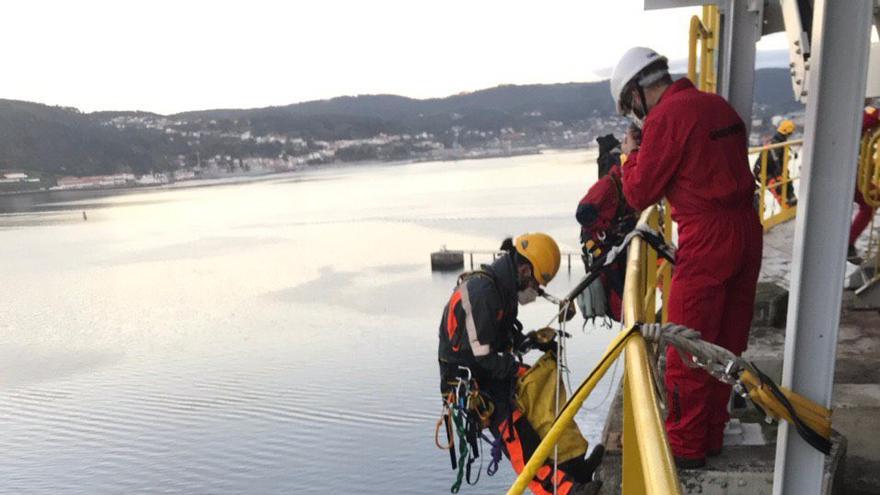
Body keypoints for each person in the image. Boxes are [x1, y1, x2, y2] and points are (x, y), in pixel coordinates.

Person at [610, 47, 763, 468]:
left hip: (707, 238)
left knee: (688, 349)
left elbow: (640, 193)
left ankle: (687, 449)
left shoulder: (666, 118)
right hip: (747, 230)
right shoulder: (716, 105)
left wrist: (631, 154)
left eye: (630, 109)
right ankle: (711, 434)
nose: (635, 117)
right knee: (726, 344)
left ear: (638, 93)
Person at [438, 233, 603, 495]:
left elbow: (502, 338)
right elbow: (485, 357)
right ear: (524, 269)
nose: (536, 291)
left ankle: (573, 468)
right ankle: (566, 491)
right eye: (536, 285)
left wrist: (533, 341)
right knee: (519, 440)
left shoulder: (501, 289)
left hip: (488, 373)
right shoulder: (482, 294)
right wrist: (517, 369)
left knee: (543, 413)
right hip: (474, 383)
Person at [575, 133, 637, 321]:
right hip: (600, 245)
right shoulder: (608, 186)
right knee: (617, 286)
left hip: (609, 243)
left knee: (626, 283)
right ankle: (629, 322)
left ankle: (631, 319)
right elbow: (582, 212)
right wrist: (605, 229)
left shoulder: (621, 187)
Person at [848, 105, 880, 263]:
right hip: (846, 170)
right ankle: (847, 243)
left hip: (849, 168)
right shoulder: (870, 114)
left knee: (872, 200)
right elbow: (865, 121)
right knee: (869, 204)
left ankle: (847, 242)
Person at [753, 119, 797, 207]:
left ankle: (792, 202)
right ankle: (785, 206)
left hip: (770, 170)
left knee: (787, 181)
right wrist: (779, 174)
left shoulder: (781, 142)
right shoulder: (775, 144)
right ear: (787, 133)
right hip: (762, 172)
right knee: (777, 186)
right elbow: (775, 161)